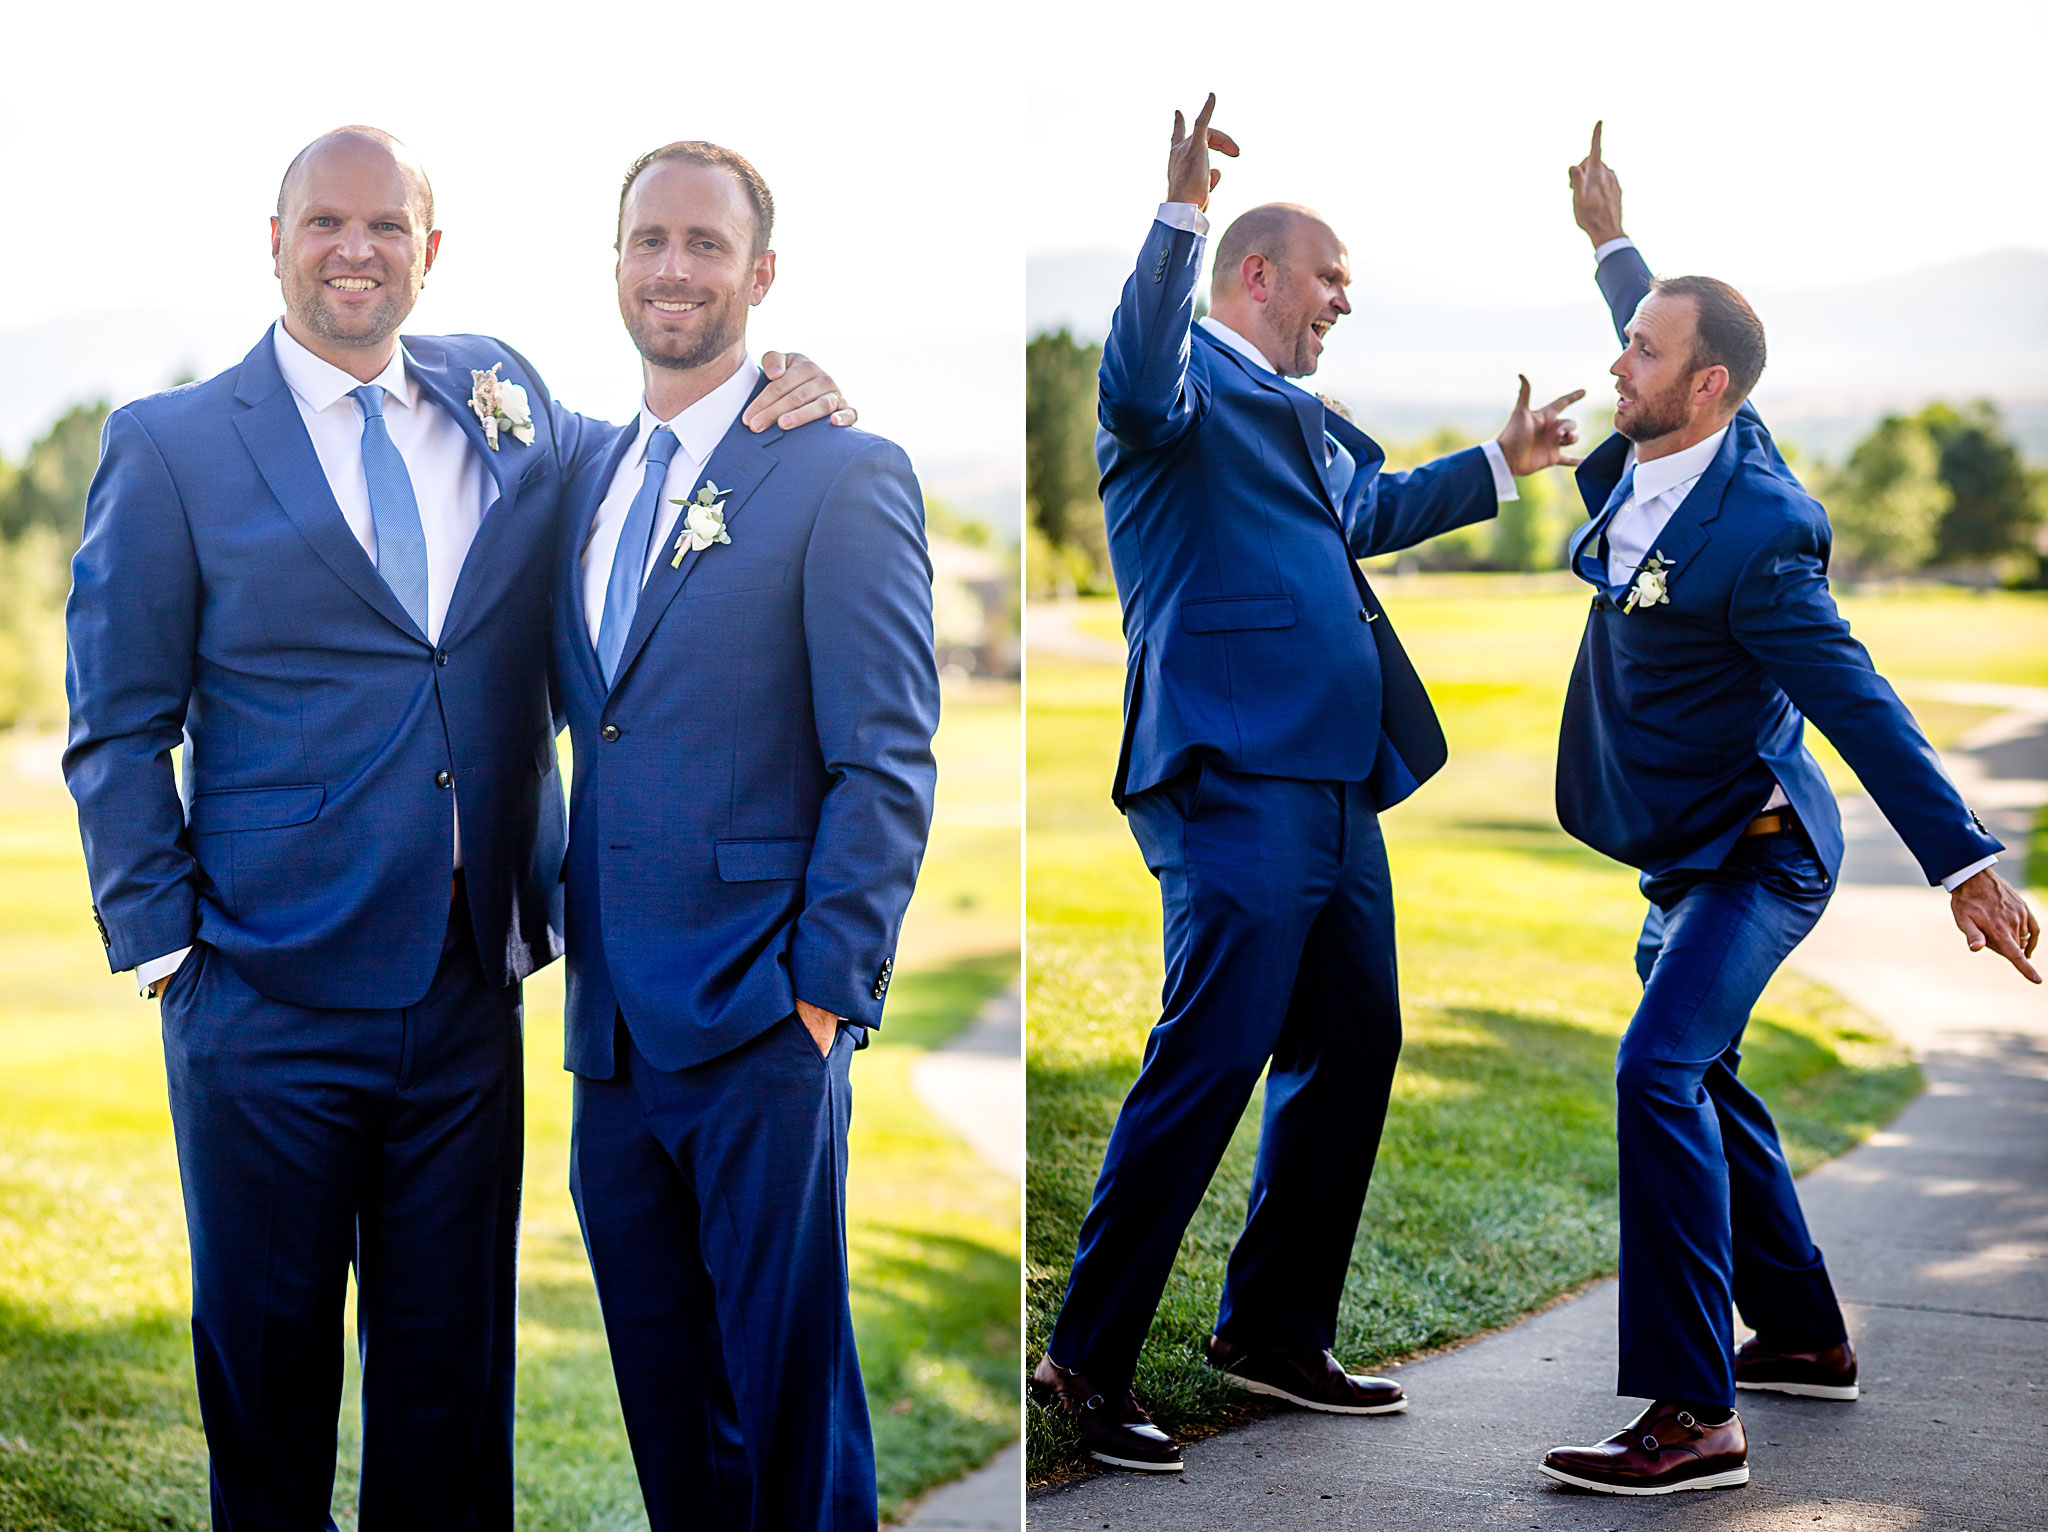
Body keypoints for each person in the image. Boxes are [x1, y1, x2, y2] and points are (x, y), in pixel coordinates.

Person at [62, 125, 849, 1525]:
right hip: (260, 1002)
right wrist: (169, 955)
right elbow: (116, 724)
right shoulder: (170, 445)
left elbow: (657, 474)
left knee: (449, 1391)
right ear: (276, 238)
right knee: (269, 1380)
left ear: (433, 250)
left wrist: (781, 385)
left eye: (386, 226)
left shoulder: (510, 400)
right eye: (326, 222)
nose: (354, 249)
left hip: (469, 997)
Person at [1029, 94, 1585, 1473]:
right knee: (1212, 1053)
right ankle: (1084, 1360)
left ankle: (1273, 1332)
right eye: (1329, 276)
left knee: (1359, 1038)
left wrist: (1497, 471)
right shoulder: (1173, 389)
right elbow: (1138, 358)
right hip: (1230, 766)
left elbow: (1370, 511)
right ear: (1257, 276)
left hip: (1340, 783)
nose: (1347, 298)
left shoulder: (1308, 414)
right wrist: (1178, 216)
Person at [1536, 124, 2041, 1498]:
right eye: (1622, 338)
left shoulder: (1761, 531)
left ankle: (1695, 1417)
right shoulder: (1688, 417)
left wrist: (1966, 868)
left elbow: (1862, 702)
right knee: (1705, 1074)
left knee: (1656, 1070)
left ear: (1704, 388)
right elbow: (1672, 331)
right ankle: (1808, 1339)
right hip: (1680, 851)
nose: (1613, 361)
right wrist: (1609, 242)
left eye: (1640, 351)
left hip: (1760, 856)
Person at [554, 140, 940, 1532]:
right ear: (614, 265)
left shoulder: (841, 471)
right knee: (670, 1415)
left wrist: (825, 999)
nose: (674, 268)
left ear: (759, 275)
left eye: (706, 245)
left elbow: (886, 755)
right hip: (607, 1043)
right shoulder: (582, 477)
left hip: (762, 1027)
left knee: (788, 1416)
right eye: (649, 240)